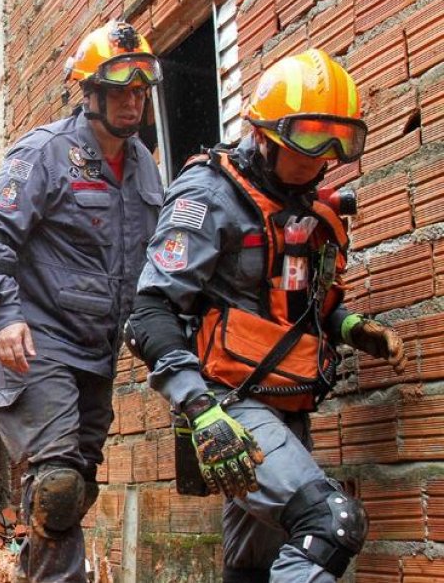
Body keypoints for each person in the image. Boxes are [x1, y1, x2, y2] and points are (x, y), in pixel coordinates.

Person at [125, 49, 406, 582]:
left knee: (255, 562)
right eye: (308, 138)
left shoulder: (302, 206)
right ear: (265, 133)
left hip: (288, 401)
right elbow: (151, 309)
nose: (322, 156)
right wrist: (201, 411)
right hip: (229, 404)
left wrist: (352, 328)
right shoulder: (211, 193)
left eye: (338, 141)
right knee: (330, 522)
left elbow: (303, 305)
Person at [0, 20, 165, 582]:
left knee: (69, 493)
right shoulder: (46, 153)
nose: (133, 99)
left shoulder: (146, 166)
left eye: (142, 87)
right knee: (56, 486)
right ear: (91, 91)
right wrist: (4, 315)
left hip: (96, 350)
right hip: (37, 340)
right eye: (121, 86)